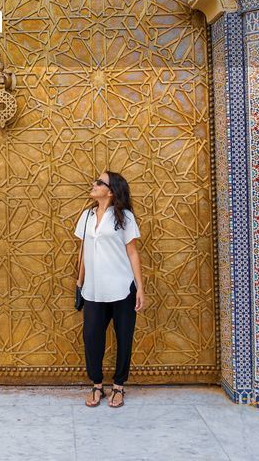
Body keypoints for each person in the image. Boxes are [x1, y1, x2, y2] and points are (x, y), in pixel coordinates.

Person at [74, 170, 145, 408]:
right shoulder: (86, 216)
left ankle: (118, 387)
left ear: (111, 191)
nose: (93, 184)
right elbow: (83, 251)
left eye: (99, 182)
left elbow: (133, 252)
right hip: (93, 290)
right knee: (92, 338)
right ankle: (97, 385)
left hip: (122, 288)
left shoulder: (124, 217)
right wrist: (79, 282)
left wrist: (140, 289)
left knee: (124, 338)